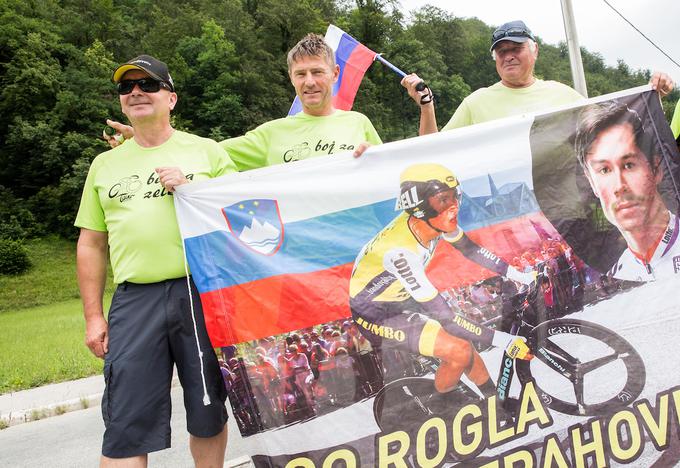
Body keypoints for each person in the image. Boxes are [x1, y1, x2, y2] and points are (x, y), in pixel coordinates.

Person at [75, 55, 232, 467]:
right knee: (127, 422)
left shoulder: (207, 152)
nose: (136, 92)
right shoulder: (104, 165)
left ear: (171, 98)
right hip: (135, 300)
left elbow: (244, 219)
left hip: (199, 293)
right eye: (127, 88)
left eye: (148, 84)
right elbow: (91, 244)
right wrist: (93, 316)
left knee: (207, 411)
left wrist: (192, 187)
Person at [349, 163, 535, 401]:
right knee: (458, 350)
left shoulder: (433, 220)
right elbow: (447, 317)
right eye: (443, 200)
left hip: (400, 296)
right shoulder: (400, 252)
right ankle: (443, 404)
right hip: (375, 313)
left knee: (464, 342)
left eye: (455, 197)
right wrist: (505, 341)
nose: (453, 207)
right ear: (419, 208)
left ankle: (495, 403)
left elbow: (470, 249)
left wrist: (519, 275)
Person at [105, 33, 381, 164]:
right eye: (301, 74)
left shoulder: (359, 123)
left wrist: (374, 162)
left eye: (317, 72)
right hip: (300, 266)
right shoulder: (271, 134)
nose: (309, 81)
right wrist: (145, 136)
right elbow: (202, 154)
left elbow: (398, 174)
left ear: (334, 74)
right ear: (291, 78)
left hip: (355, 254)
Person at [401, 20, 674, 135]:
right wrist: (426, 106)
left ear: (534, 51)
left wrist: (653, 97)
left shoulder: (563, 94)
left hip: (568, 216)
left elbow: (612, 130)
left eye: (516, 48)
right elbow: (432, 151)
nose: (508, 56)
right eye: (501, 51)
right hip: (504, 222)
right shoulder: (476, 102)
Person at [574, 99, 680, 281]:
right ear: (591, 182)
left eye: (629, 165)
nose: (619, 186)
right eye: (604, 170)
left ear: (656, 168)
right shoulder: (618, 275)